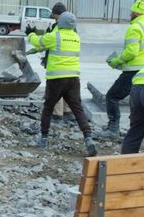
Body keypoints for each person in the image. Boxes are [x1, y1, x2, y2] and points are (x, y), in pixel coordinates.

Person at [26, 12, 97, 156]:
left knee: (48, 107)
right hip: (73, 79)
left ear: (61, 23)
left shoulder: (55, 36)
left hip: (56, 79)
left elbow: (39, 42)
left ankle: (43, 138)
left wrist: (30, 34)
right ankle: (88, 138)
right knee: (78, 109)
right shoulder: (76, 37)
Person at [97, 0, 144, 138]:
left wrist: (116, 61)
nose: (130, 14)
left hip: (133, 71)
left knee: (112, 96)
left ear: (137, 13)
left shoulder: (135, 27)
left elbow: (132, 51)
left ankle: (113, 129)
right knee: (139, 101)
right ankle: (139, 131)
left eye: (132, 12)